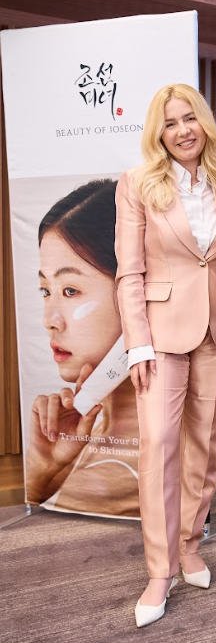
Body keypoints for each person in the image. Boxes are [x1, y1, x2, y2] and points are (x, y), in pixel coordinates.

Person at [115, 83, 216, 628]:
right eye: (170, 123)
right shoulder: (138, 183)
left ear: (205, 123)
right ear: (157, 133)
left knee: (205, 447)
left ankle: (190, 544)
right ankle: (159, 572)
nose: (183, 130)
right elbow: (129, 271)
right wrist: (137, 342)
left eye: (190, 119)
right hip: (160, 335)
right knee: (160, 447)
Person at [26, 180, 140, 518]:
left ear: (135, 288)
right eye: (46, 291)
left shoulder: (114, 475)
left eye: (71, 290)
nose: (50, 320)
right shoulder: (88, 445)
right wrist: (46, 467)